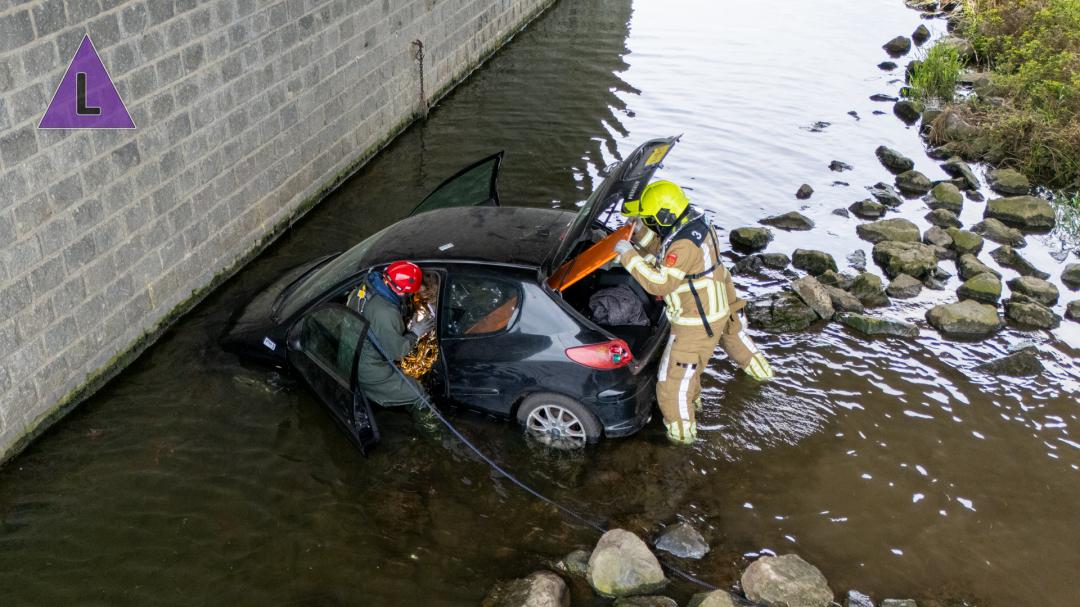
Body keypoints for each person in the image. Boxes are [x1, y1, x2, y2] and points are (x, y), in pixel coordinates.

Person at [613, 180, 773, 445]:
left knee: (672, 388)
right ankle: (764, 379)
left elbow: (661, 283)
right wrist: (637, 232)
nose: (650, 223)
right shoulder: (693, 219)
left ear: (664, 216)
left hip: (698, 317)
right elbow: (663, 246)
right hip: (720, 297)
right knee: (735, 338)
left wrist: (629, 257)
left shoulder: (683, 246)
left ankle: (682, 444)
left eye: (650, 220)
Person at [349, 260, 436, 416]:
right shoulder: (386, 313)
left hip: (349, 353)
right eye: (410, 292)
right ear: (402, 291)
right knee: (419, 395)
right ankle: (435, 433)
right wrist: (415, 332)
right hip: (367, 370)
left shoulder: (364, 288)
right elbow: (397, 352)